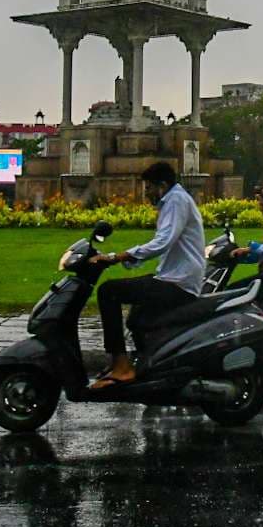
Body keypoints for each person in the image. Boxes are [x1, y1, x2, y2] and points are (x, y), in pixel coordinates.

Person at [89, 161, 205, 389]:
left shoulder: (176, 200)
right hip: (173, 277)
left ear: (162, 185)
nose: (147, 193)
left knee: (108, 292)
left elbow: (163, 242)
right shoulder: (174, 200)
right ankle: (148, 366)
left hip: (178, 282)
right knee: (136, 319)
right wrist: (126, 259)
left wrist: (117, 257)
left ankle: (122, 366)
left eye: (149, 187)